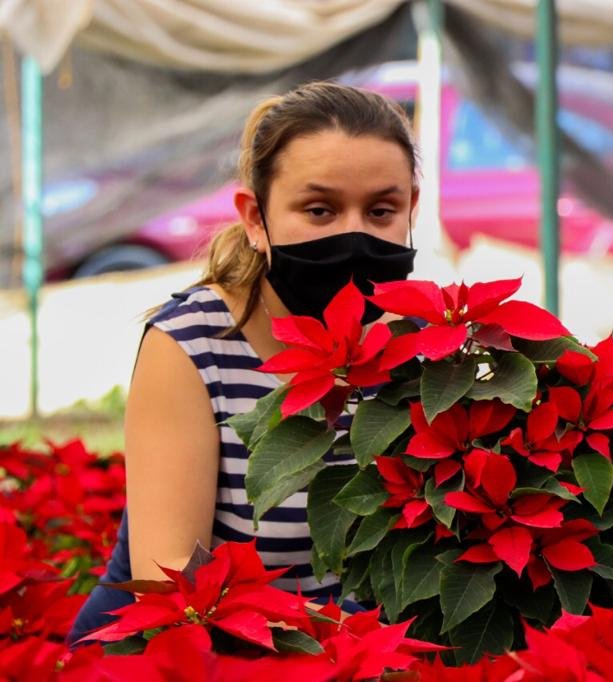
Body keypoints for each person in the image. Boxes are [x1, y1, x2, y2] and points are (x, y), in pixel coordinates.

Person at [68, 81, 420, 643]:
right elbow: (173, 585)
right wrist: (349, 647)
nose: (354, 236)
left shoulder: (427, 350)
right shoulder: (192, 343)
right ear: (256, 219)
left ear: (411, 209)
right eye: (319, 210)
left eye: (381, 210)